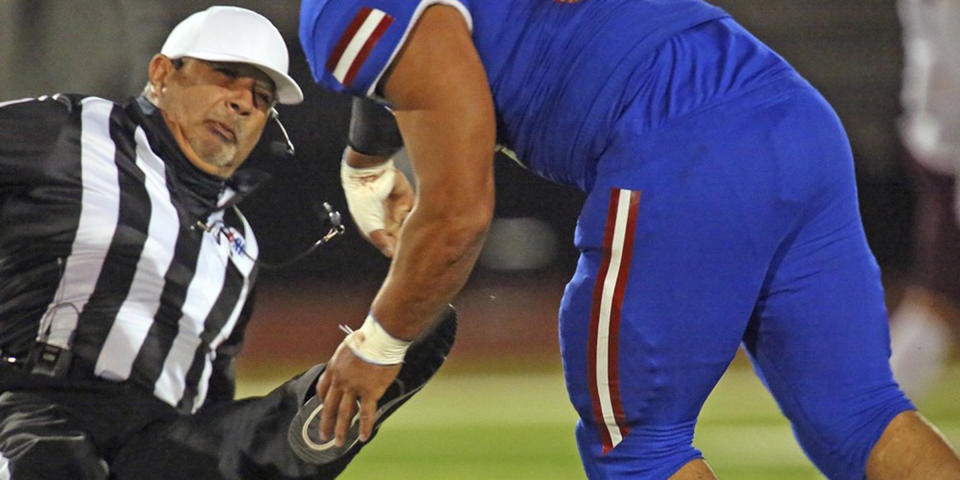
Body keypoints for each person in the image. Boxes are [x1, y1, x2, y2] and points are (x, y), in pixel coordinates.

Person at [297, 1, 960, 479]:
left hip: (683, 144)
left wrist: (377, 344)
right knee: (857, 415)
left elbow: (457, 215)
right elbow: (416, 41)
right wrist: (366, 157)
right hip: (792, 117)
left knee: (639, 452)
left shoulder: (345, 13)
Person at [0, 6, 454, 479]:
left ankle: (361, 370)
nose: (242, 103)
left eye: (260, 98)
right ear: (161, 73)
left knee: (271, 443)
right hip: (42, 413)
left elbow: (214, 395)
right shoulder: (74, 132)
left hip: (165, 446)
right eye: (225, 77)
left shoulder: (238, 245)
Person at [888, 0, 960, 399]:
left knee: (935, 302)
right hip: (946, 141)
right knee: (935, 302)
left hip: (937, 136)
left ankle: (864, 425)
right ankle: (866, 425)